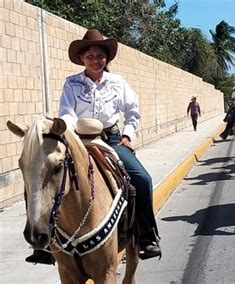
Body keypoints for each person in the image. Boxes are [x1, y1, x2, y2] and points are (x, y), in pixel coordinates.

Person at [25, 29, 162, 264]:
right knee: (44, 176)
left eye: (100, 56)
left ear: (106, 58)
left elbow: (133, 111)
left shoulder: (118, 83)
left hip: (111, 139)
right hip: (78, 139)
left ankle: (146, 235)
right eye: (90, 56)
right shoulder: (72, 84)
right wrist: (71, 137)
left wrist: (128, 137)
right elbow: (66, 113)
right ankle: (45, 242)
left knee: (142, 179)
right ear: (82, 58)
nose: (96, 60)